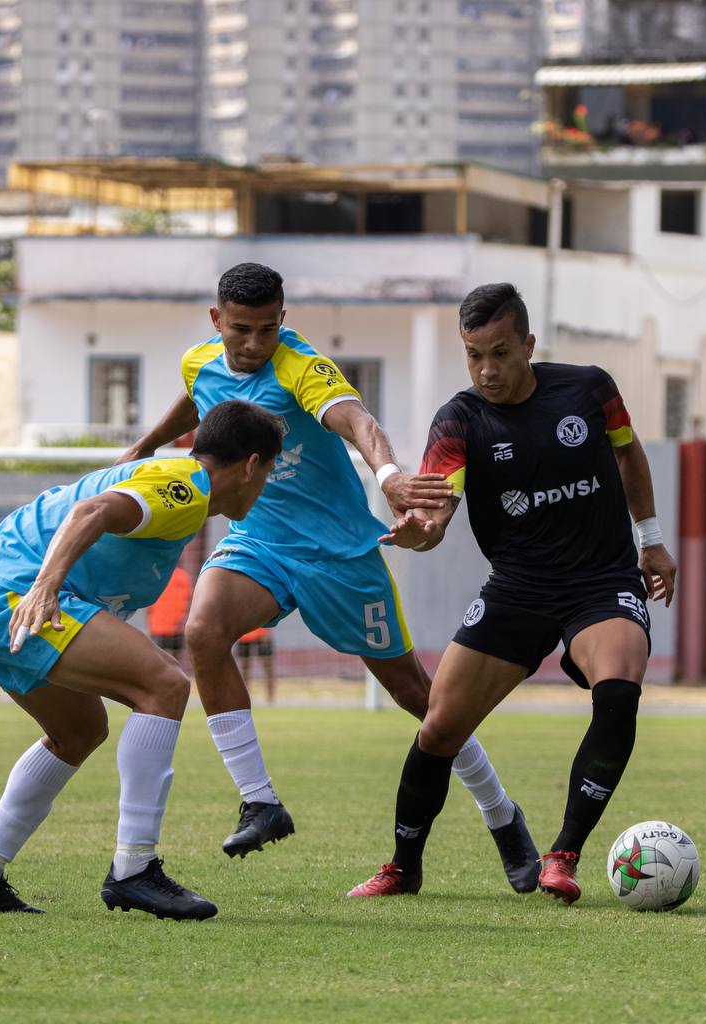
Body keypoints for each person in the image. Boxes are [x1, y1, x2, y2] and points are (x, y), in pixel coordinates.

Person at [120, 263, 537, 893]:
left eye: (268, 329)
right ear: (217, 321)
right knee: (202, 631)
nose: (254, 344)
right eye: (241, 330)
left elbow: (357, 420)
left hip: (339, 554)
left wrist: (389, 475)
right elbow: (197, 398)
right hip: (259, 541)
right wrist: (146, 444)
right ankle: (259, 800)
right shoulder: (199, 360)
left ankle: (502, 815)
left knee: (419, 698)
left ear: (283, 320)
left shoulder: (301, 367)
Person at [348, 283, 677, 905]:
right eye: (474, 355)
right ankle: (403, 866)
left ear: (528, 344)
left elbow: (629, 458)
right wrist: (421, 534)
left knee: (619, 686)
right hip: (518, 588)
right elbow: (438, 508)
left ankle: (563, 854)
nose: (486, 370)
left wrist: (651, 540)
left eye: (500, 352)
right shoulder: (460, 419)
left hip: (601, 581)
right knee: (439, 728)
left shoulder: (589, 389)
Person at [0, 399, 282, 919]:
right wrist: (43, 588)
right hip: (9, 596)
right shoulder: (189, 486)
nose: (261, 492)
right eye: (268, 474)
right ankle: (134, 869)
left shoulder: (175, 483)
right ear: (252, 465)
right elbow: (90, 512)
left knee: (79, 731)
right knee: (165, 686)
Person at [146, 556, 193, 668]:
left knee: (161, 659)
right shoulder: (183, 576)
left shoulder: (157, 575)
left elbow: (148, 604)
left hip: (159, 627)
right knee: (175, 661)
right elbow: (190, 601)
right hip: (173, 626)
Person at [235, 626, 276, 704]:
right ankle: (244, 700)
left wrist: (266, 631)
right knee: (244, 671)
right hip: (244, 635)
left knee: (268, 668)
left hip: (262, 633)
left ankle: (271, 700)